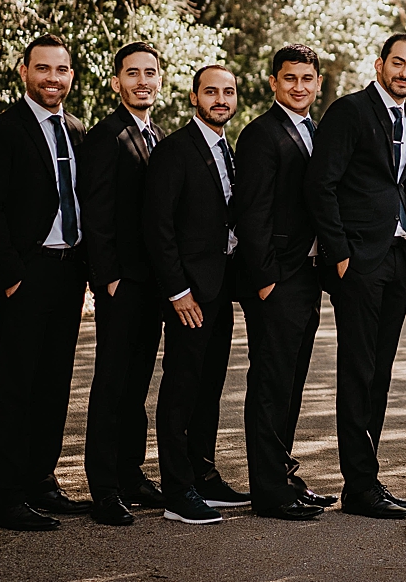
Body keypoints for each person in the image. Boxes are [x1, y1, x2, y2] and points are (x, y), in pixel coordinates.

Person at [0, 35, 91, 530]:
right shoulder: (2, 130)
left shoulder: (80, 131)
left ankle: (41, 480)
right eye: (43, 69)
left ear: (71, 77)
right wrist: (12, 278)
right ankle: (4, 495)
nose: (52, 78)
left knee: (54, 381)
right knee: (16, 383)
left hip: (69, 272)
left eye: (61, 70)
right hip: (27, 272)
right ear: (24, 72)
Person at [305, 34, 406, 518]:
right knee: (358, 371)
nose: (404, 72)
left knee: (380, 372)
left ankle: (368, 479)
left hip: (397, 258)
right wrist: (339, 254)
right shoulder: (349, 111)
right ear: (379, 65)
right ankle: (358, 486)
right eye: (397, 63)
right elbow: (321, 184)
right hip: (357, 260)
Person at [233, 45, 336, 521]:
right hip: (277, 279)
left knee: (292, 382)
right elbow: (250, 214)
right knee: (272, 382)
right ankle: (269, 492)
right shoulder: (260, 134)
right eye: (290, 78)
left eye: (307, 78)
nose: (299, 86)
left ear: (318, 83)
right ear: (273, 82)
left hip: (306, 276)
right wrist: (266, 280)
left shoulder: (315, 131)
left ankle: (283, 475)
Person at [144, 64, 250, 524]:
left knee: (210, 386)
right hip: (189, 293)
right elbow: (157, 227)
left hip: (221, 287)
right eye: (212, 92)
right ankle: (177, 489)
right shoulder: (174, 151)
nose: (220, 99)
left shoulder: (230, 149)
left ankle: (204, 476)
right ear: (193, 96)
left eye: (228, 92)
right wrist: (178, 291)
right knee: (182, 386)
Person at [77, 41, 167, 526]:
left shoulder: (158, 135)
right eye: (133, 74)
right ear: (117, 82)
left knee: (136, 385)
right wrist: (106, 276)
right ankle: (105, 487)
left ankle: (131, 475)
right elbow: (96, 211)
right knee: (112, 384)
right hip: (122, 283)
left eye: (150, 73)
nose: (142, 81)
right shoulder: (106, 137)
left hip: (154, 283)